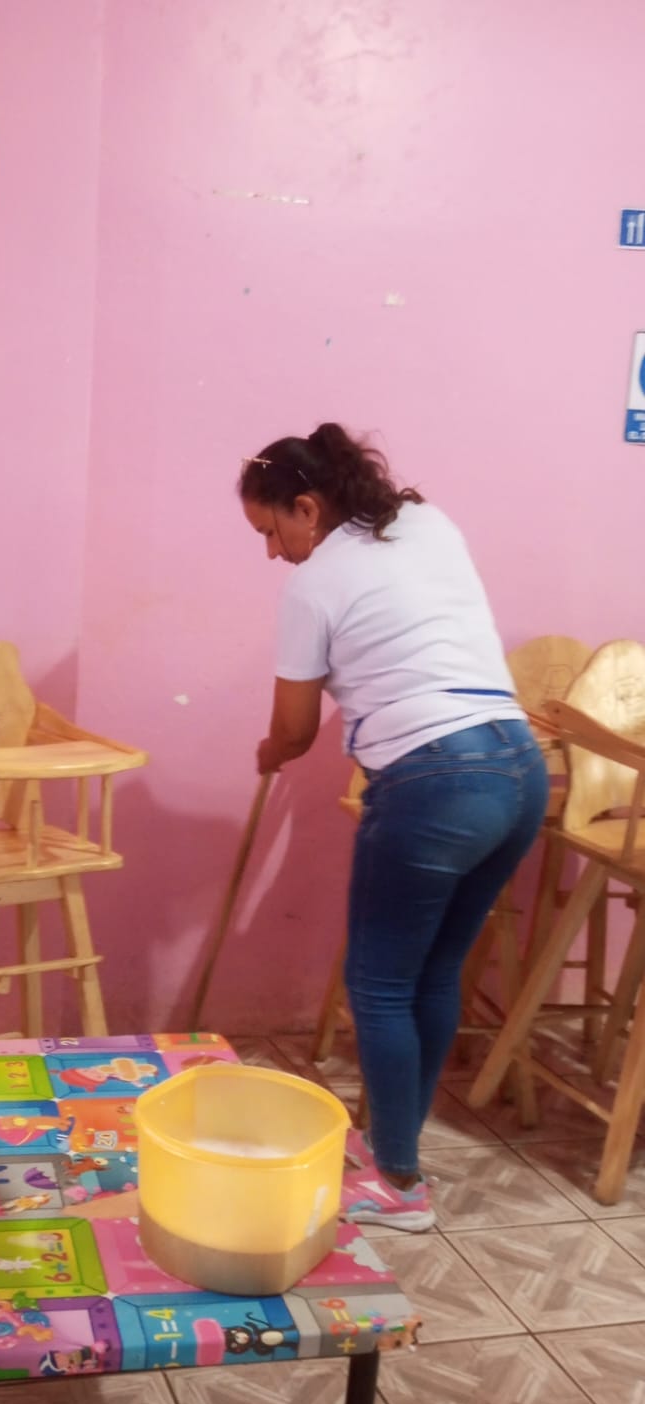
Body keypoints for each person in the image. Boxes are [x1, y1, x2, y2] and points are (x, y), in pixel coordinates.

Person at [239, 423, 548, 1231]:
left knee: (378, 985)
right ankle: (394, 1150)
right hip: (519, 768)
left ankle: (398, 1183)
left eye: (271, 531)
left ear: (307, 507)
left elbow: (295, 730)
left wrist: (272, 750)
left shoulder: (312, 585)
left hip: (434, 782)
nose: (272, 552)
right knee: (434, 973)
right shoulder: (426, 522)